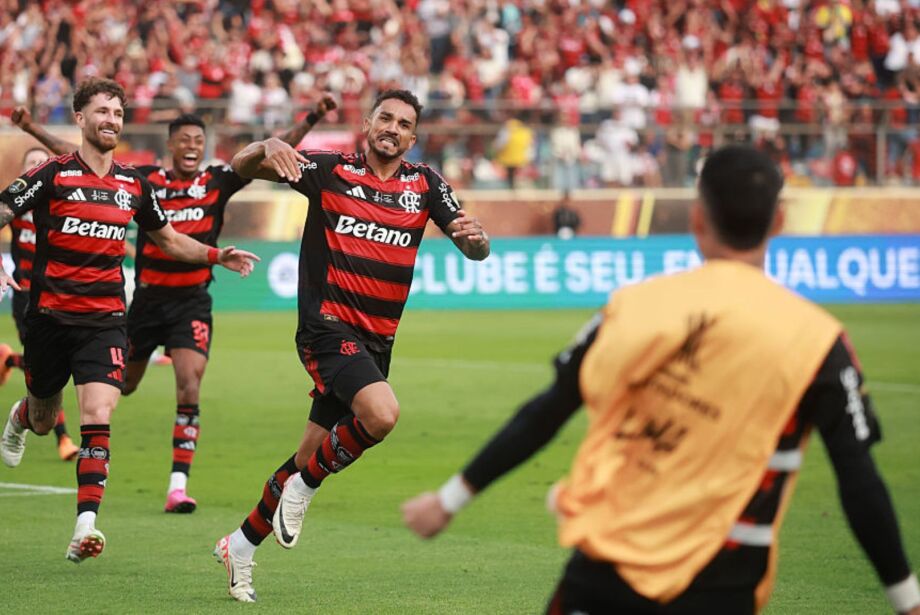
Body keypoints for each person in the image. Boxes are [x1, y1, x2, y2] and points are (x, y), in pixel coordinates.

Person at [402, 145, 920, 615]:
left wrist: (449, 500)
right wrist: (905, 597)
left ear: (697, 218)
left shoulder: (635, 305)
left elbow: (548, 410)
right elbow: (859, 478)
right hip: (726, 586)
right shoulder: (819, 339)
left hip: (605, 574)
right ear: (779, 221)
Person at [213, 89, 490, 603]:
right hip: (326, 328)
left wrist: (477, 242)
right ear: (367, 123)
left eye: (404, 123)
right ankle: (304, 489)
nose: (392, 127)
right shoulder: (327, 170)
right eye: (385, 117)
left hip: (376, 342)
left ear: (412, 135)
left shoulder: (425, 183)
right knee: (381, 415)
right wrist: (267, 143)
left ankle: (241, 545)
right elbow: (239, 164)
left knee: (308, 454)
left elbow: (473, 245)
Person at [11, 94, 336, 513]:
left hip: (192, 303)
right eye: (183, 139)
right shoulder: (143, 179)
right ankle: (36, 410)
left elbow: (268, 159)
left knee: (189, 384)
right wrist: (31, 128)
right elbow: (74, 160)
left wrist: (309, 119)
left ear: (204, 145)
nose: (191, 147)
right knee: (122, 386)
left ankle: (177, 487)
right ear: (171, 144)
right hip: (145, 303)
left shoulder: (217, 180)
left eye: (198, 140)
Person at [0, 77, 258, 564]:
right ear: (80, 118)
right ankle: (19, 415)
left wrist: (215, 254)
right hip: (51, 319)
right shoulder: (52, 175)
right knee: (42, 419)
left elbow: (169, 240)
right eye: (101, 111)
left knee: (99, 413)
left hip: (106, 320)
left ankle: (85, 526)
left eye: (117, 113)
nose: (111, 120)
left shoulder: (133, 184)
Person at [0, 146, 79, 462]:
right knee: (46, 369)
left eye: (42, 162)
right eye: (30, 163)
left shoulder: (65, 206)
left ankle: (7, 360)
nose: (37, 167)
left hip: (61, 296)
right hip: (27, 297)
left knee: (56, 365)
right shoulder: (16, 209)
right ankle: (64, 439)